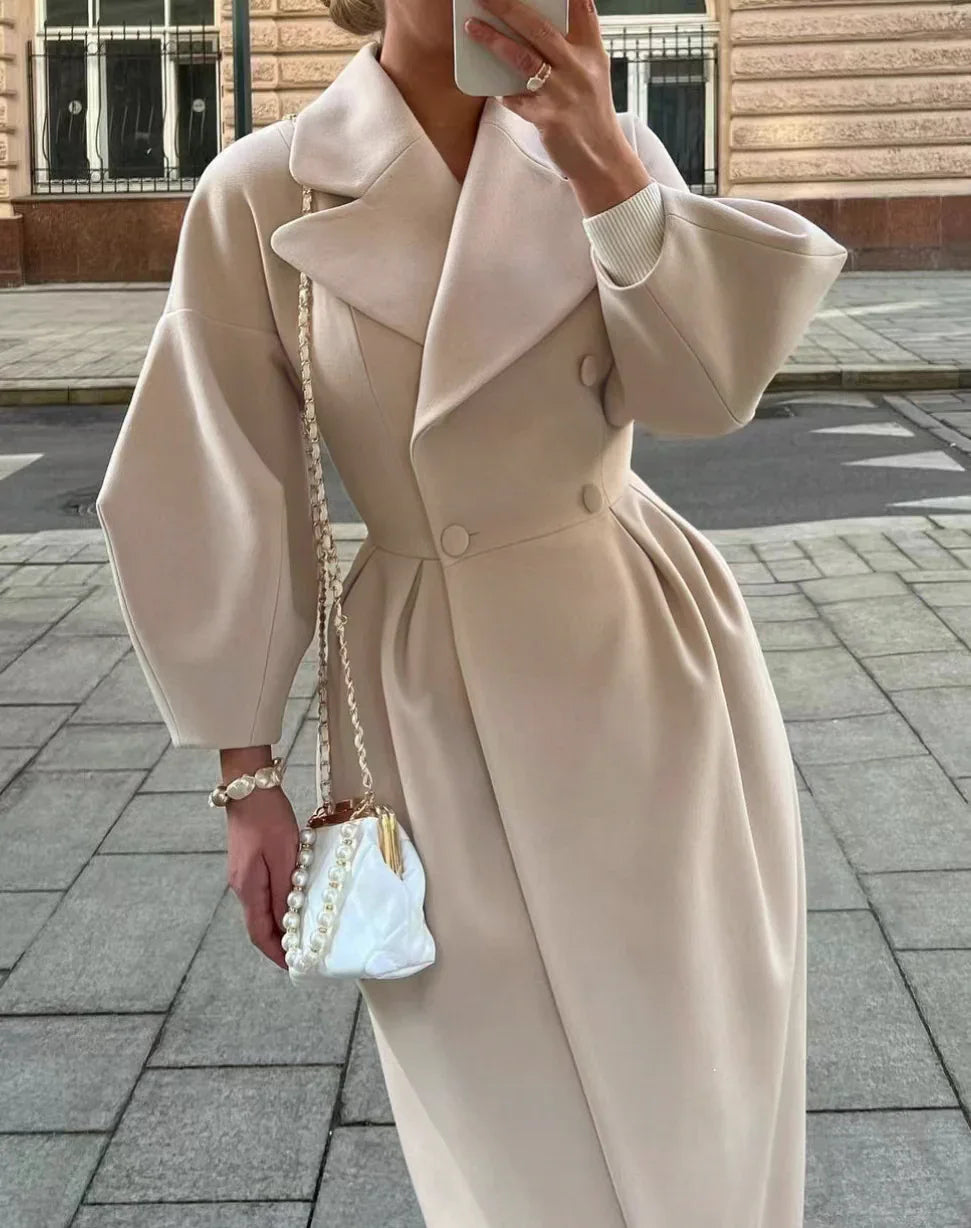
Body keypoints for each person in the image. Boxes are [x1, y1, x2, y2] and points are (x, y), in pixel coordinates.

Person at [96, 0, 848, 1221]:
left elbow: (705, 393)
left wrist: (605, 160)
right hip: (423, 693)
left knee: (695, 1077)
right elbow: (214, 472)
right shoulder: (263, 189)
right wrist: (247, 774)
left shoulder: (604, 145)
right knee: (508, 1131)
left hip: (641, 658)